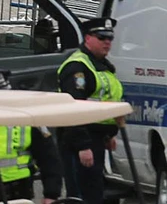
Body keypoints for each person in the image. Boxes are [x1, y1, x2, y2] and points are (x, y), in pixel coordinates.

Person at [56, 18, 120, 204]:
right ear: (87, 38)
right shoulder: (78, 67)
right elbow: (74, 108)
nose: (107, 42)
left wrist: (109, 134)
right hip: (79, 140)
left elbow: (104, 101)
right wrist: (83, 146)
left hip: (97, 139)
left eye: (110, 38)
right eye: (101, 37)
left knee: (94, 194)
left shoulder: (102, 66)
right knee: (81, 197)